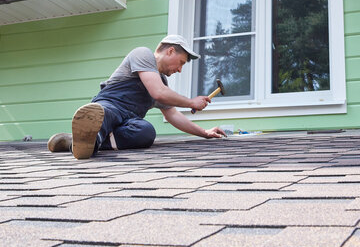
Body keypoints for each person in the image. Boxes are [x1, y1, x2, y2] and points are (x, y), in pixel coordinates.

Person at [47, 35, 226, 159]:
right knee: (104, 114)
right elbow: (158, 92)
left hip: (129, 121)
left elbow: (172, 114)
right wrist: (190, 102)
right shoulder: (142, 54)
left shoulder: (161, 82)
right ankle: (87, 137)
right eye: (180, 63)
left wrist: (204, 133)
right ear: (170, 51)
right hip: (110, 105)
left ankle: (78, 141)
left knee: (146, 132)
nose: (179, 70)